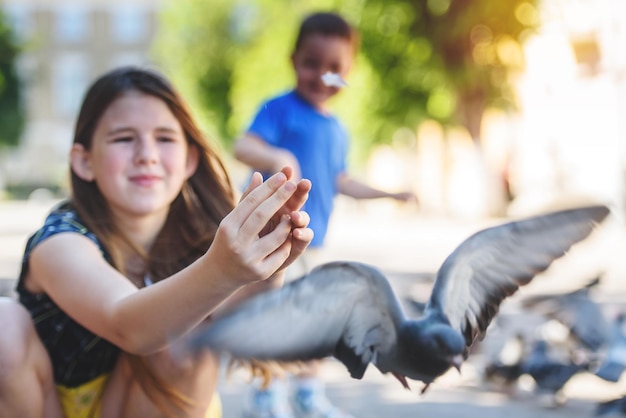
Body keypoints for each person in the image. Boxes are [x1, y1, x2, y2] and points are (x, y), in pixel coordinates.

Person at [0, 66, 314, 418]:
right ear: (84, 162)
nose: (146, 154)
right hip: (55, 406)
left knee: (188, 332)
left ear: (189, 160)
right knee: (3, 323)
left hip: (154, 404)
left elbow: (242, 319)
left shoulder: (200, 235)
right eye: (123, 138)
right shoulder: (60, 242)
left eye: (165, 139)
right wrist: (222, 268)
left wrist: (267, 266)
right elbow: (126, 324)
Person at [234, 11, 416, 418]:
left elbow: (342, 181)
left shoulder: (338, 130)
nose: (321, 76)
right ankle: (266, 394)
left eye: (335, 68)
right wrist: (277, 155)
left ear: (347, 73)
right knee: (276, 318)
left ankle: (308, 393)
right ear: (293, 60)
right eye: (311, 64)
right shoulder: (280, 109)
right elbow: (243, 146)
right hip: (272, 239)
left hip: (314, 243)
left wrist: (389, 193)